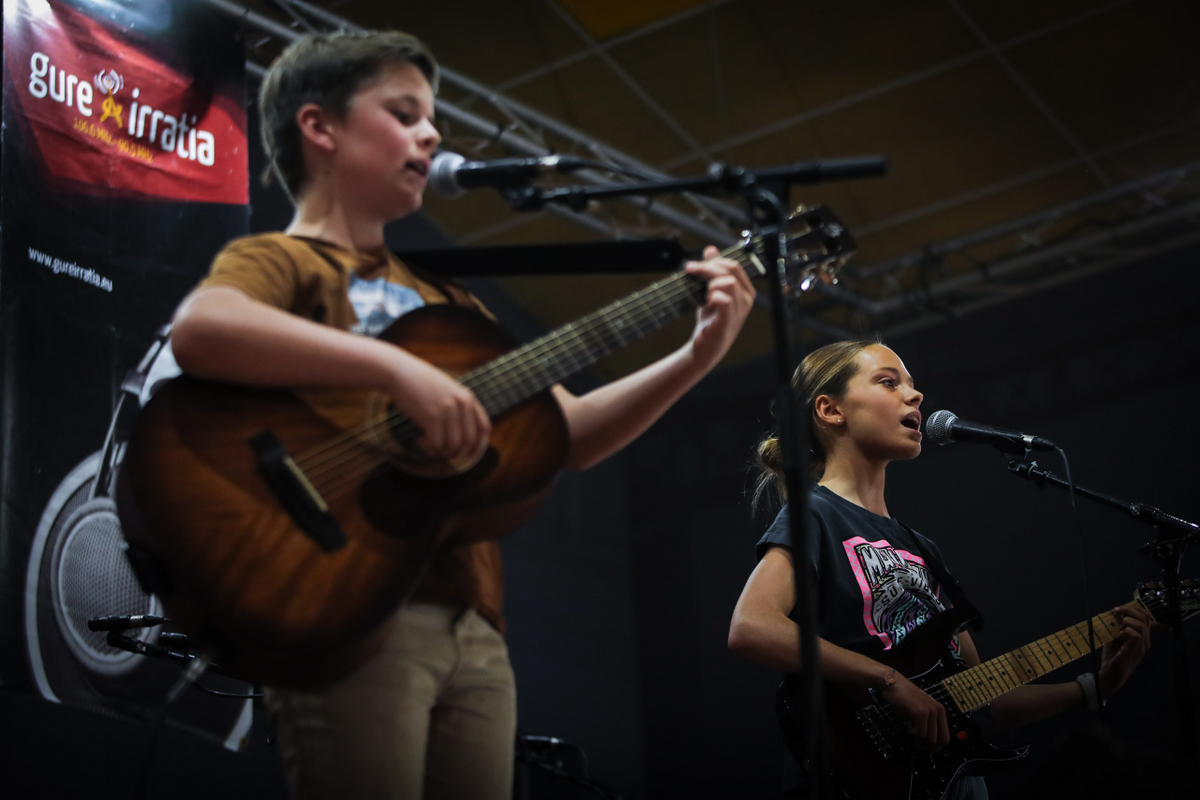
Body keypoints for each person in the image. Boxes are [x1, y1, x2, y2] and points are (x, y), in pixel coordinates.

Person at [168, 30, 755, 800]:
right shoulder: (285, 261)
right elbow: (203, 327)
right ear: (319, 127)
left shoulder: (452, 303)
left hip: (475, 628)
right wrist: (395, 370)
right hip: (348, 611)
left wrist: (696, 359)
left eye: (432, 118)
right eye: (404, 113)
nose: (432, 134)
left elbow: (571, 434)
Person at [727, 340, 1153, 799]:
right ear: (831, 410)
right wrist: (888, 680)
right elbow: (751, 626)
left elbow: (983, 695)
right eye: (888, 382)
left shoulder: (921, 547)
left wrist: (1095, 687)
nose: (915, 395)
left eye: (912, 385)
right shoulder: (815, 514)